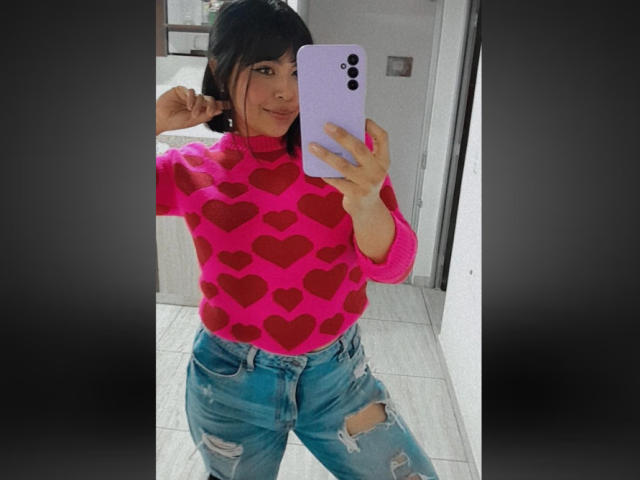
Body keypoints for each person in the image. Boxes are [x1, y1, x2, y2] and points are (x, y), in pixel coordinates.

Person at [156, 1, 440, 479]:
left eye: (297, 70)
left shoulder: (348, 164)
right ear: (220, 70)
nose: (286, 91)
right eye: (265, 69)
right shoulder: (191, 169)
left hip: (338, 378)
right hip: (230, 382)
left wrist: (366, 199)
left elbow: (393, 268)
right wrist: (153, 121)